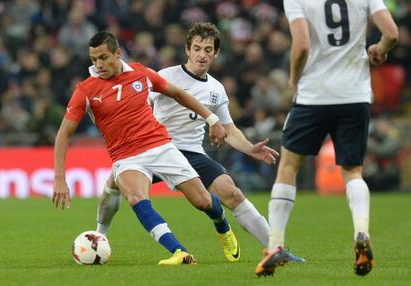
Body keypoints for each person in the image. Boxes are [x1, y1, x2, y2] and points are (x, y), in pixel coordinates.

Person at [96, 22, 286, 263]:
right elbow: (142, 106)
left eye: (208, 50)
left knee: (232, 193)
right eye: (197, 48)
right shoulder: (166, 76)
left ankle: (276, 250)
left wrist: (250, 148)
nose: (202, 55)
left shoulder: (216, 90)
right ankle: (99, 237)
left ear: (216, 53)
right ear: (187, 50)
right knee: (114, 185)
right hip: (153, 148)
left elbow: (228, 129)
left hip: (190, 153)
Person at [52, 31, 237, 266]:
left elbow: (178, 94)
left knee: (203, 201)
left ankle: (223, 227)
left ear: (118, 54)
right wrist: (59, 178)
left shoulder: (141, 73)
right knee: (136, 197)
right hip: (126, 157)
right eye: (94, 59)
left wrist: (211, 119)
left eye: (103, 58)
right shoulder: (86, 90)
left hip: (161, 147)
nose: (98, 64)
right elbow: (63, 134)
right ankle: (179, 252)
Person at [255, 0, 398, 277]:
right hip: (354, 95)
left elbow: (303, 43)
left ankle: (275, 245)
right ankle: (361, 231)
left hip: (313, 95)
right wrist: (380, 49)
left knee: (288, 166)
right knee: (353, 171)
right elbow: (391, 33)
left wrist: (294, 78)